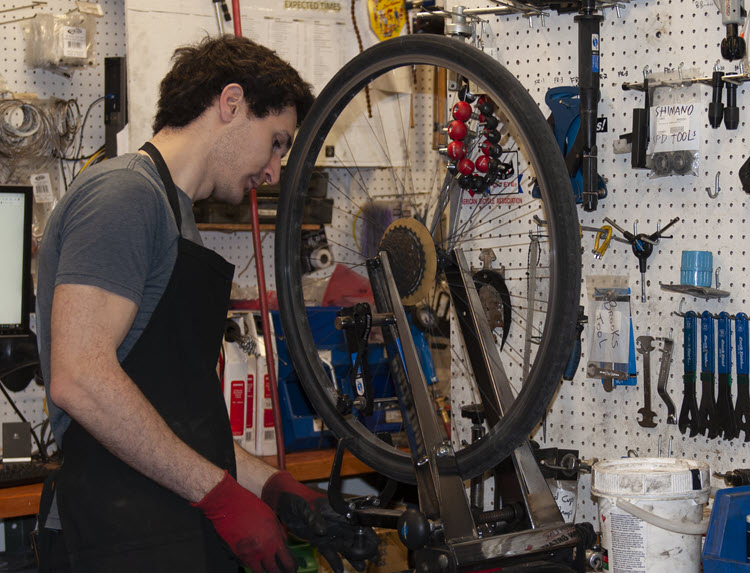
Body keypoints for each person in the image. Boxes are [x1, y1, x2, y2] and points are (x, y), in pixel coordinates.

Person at [35, 35, 379, 573]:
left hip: (164, 520)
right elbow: (79, 377)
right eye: (277, 143)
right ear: (232, 103)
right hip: (112, 532)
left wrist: (273, 488)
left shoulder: (178, 218)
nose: (274, 172)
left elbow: (170, 425)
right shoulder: (123, 196)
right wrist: (219, 496)